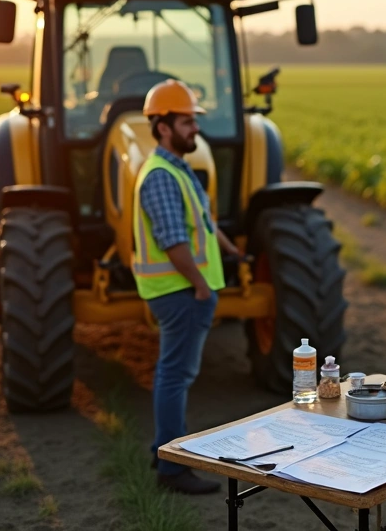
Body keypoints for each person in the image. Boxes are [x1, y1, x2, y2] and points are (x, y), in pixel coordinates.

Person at [133, 79, 240, 495]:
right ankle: (172, 468)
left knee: (173, 373)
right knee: (175, 376)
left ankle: (161, 449)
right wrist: (199, 285)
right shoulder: (161, 175)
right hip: (179, 293)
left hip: (185, 291)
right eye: (186, 121)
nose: (195, 129)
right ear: (162, 127)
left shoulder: (177, 169)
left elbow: (203, 223)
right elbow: (172, 240)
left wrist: (231, 250)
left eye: (194, 120)